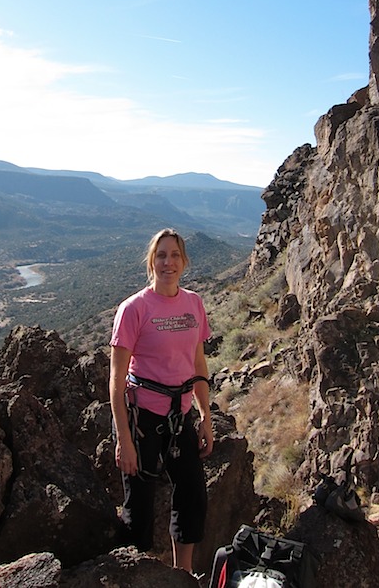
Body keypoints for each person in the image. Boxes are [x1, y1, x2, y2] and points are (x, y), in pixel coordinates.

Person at [109, 228, 214, 573]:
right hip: (142, 420)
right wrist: (124, 440)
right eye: (161, 255)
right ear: (151, 261)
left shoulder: (194, 303)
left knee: (192, 498)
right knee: (138, 509)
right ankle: (134, 575)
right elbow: (116, 380)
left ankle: (182, 575)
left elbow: (198, 364)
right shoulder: (133, 309)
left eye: (174, 255)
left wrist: (205, 415)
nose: (168, 262)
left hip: (180, 417)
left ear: (184, 262)